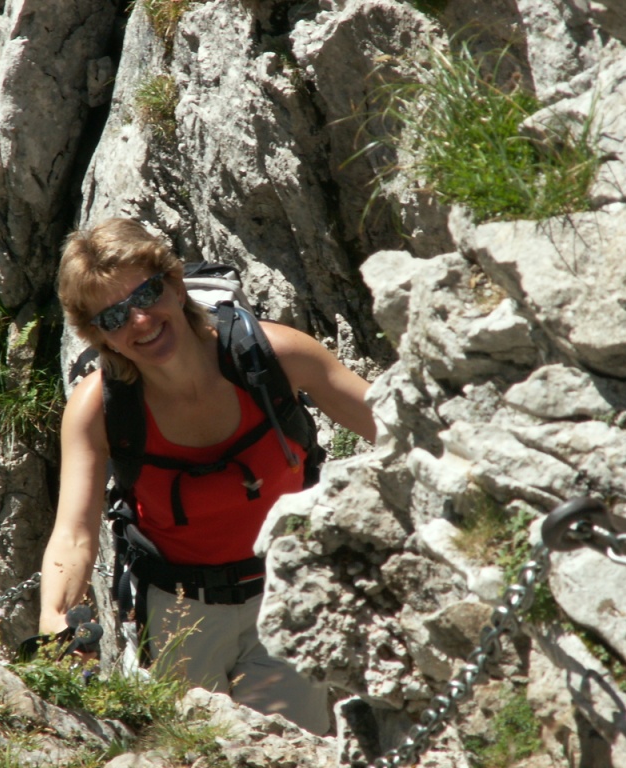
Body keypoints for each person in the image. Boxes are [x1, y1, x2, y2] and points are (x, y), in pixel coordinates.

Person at [38, 217, 375, 734]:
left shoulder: (273, 357)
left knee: (289, 752)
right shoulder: (98, 410)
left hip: (285, 594)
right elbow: (74, 534)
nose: (140, 320)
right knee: (192, 751)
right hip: (177, 612)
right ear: (100, 337)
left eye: (147, 293)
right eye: (114, 316)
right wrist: (56, 618)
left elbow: (397, 423)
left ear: (176, 286)